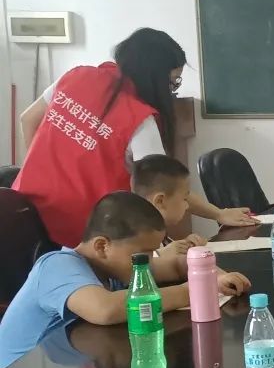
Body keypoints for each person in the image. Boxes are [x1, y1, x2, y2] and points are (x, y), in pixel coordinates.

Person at [13, 28, 257, 247]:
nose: (171, 91)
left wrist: (41, 169)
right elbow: (165, 187)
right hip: (79, 236)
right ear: (154, 77)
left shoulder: (76, 76)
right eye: (172, 83)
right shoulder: (139, 120)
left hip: (21, 213)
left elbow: (28, 119)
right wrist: (218, 214)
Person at [0, 192, 251, 368]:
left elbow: (177, 264)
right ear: (102, 246)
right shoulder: (57, 266)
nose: (149, 260)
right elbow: (106, 309)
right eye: (143, 253)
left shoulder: (117, 265)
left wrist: (216, 275)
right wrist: (195, 290)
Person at [131, 154, 206, 258]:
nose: (187, 206)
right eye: (184, 199)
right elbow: (132, 263)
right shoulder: (133, 237)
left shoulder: (159, 232)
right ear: (160, 201)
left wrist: (185, 245)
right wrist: (161, 254)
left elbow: (167, 250)